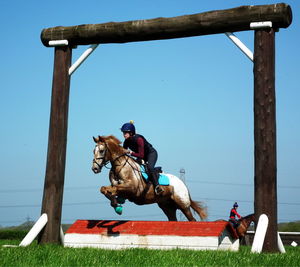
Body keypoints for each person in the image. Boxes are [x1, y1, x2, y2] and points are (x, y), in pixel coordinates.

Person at [120, 120, 164, 195]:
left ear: (131, 133)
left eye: (125, 133)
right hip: (141, 156)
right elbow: (123, 152)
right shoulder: (126, 141)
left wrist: (130, 152)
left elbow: (141, 155)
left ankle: (157, 186)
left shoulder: (139, 139)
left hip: (151, 154)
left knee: (150, 167)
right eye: (123, 133)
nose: (124, 135)